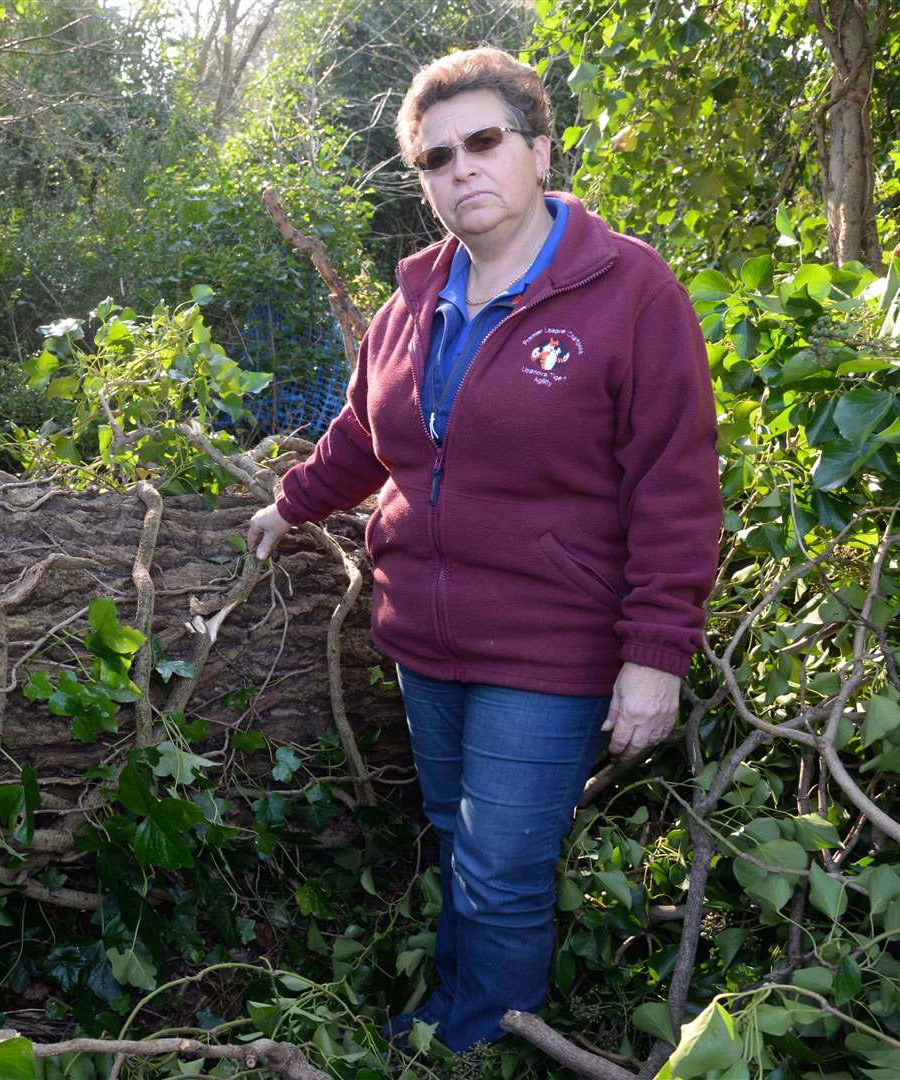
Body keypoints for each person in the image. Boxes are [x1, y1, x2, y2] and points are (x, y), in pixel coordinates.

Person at [244, 47, 722, 1051]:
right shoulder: (412, 298)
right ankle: (453, 1015)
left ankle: (477, 1048)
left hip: (550, 649)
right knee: (461, 836)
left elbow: (674, 484)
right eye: (435, 157)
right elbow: (365, 437)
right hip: (423, 639)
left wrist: (655, 654)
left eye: (485, 143)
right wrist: (289, 505)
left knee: (502, 865)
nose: (462, 169)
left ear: (539, 149)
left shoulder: (628, 291)